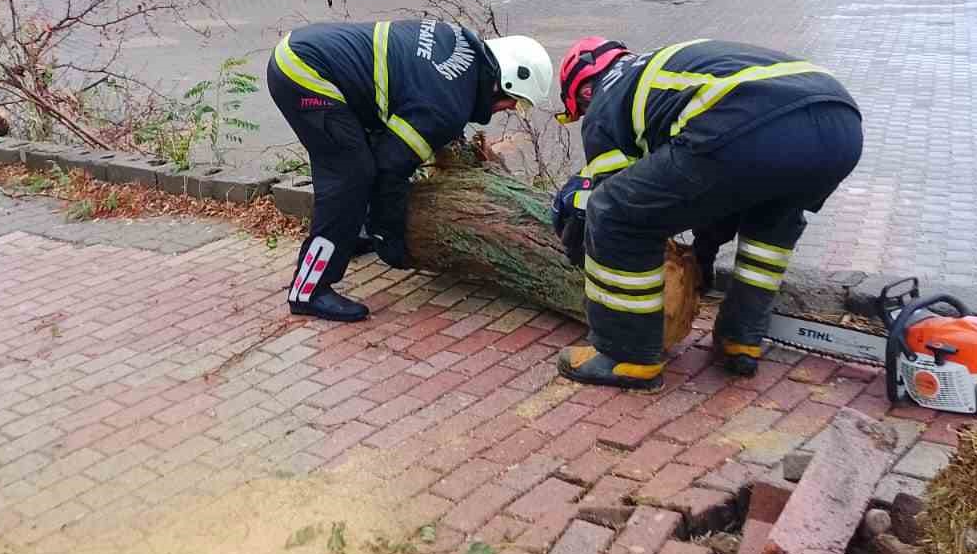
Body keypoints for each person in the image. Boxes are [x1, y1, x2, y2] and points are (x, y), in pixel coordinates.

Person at [549, 38, 862, 391]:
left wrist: (578, 239)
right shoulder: (657, 71)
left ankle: (626, 355)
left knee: (615, 212)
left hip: (754, 120)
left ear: (583, 91)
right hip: (840, 125)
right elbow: (718, 194)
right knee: (771, 220)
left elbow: (613, 201)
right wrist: (703, 255)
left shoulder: (607, 100)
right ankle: (741, 337)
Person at [268, 21, 553, 322]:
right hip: (305, 72)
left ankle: (348, 237)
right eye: (516, 102)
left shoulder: (459, 43)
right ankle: (309, 290)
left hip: (307, 51)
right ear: (503, 81)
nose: (509, 109)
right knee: (350, 177)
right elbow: (391, 166)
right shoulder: (447, 106)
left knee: (361, 162)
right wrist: (389, 235)